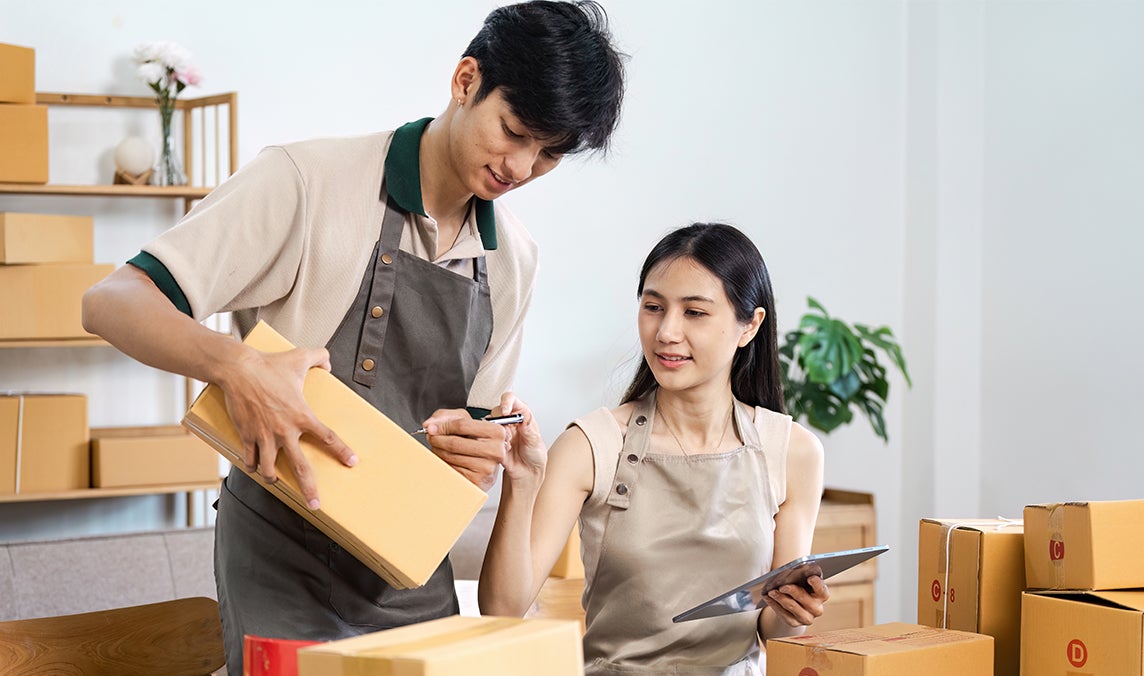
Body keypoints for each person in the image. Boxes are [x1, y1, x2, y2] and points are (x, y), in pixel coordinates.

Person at [80, 1, 625, 671]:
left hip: (410, 576)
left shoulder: (514, 261)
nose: (520, 166)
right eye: (513, 132)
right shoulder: (306, 182)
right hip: (282, 558)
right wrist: (237, 366)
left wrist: (479, 454)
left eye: (548, 155)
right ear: (464, 82)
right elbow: (111, 303)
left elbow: (467, 466)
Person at [463, 223, 827, 675]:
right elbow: (503, 610)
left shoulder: (793, 451)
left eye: (694, 312)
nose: (667, 332)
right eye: (654, 307)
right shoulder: (590, 445)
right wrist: (521, 481)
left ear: (749, 326)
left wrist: (794, 613)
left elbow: (772, 630)